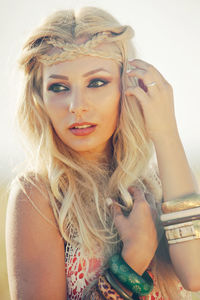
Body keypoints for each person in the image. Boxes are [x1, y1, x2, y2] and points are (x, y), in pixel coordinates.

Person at [5, 6, 200, 300]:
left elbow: (195, 274)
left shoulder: (160, 181)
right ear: (40, 99)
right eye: (58, 87)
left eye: (96, 82)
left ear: (125, 86)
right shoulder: (38, 194)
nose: (77, 105)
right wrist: (131, 261)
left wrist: (166, 132)